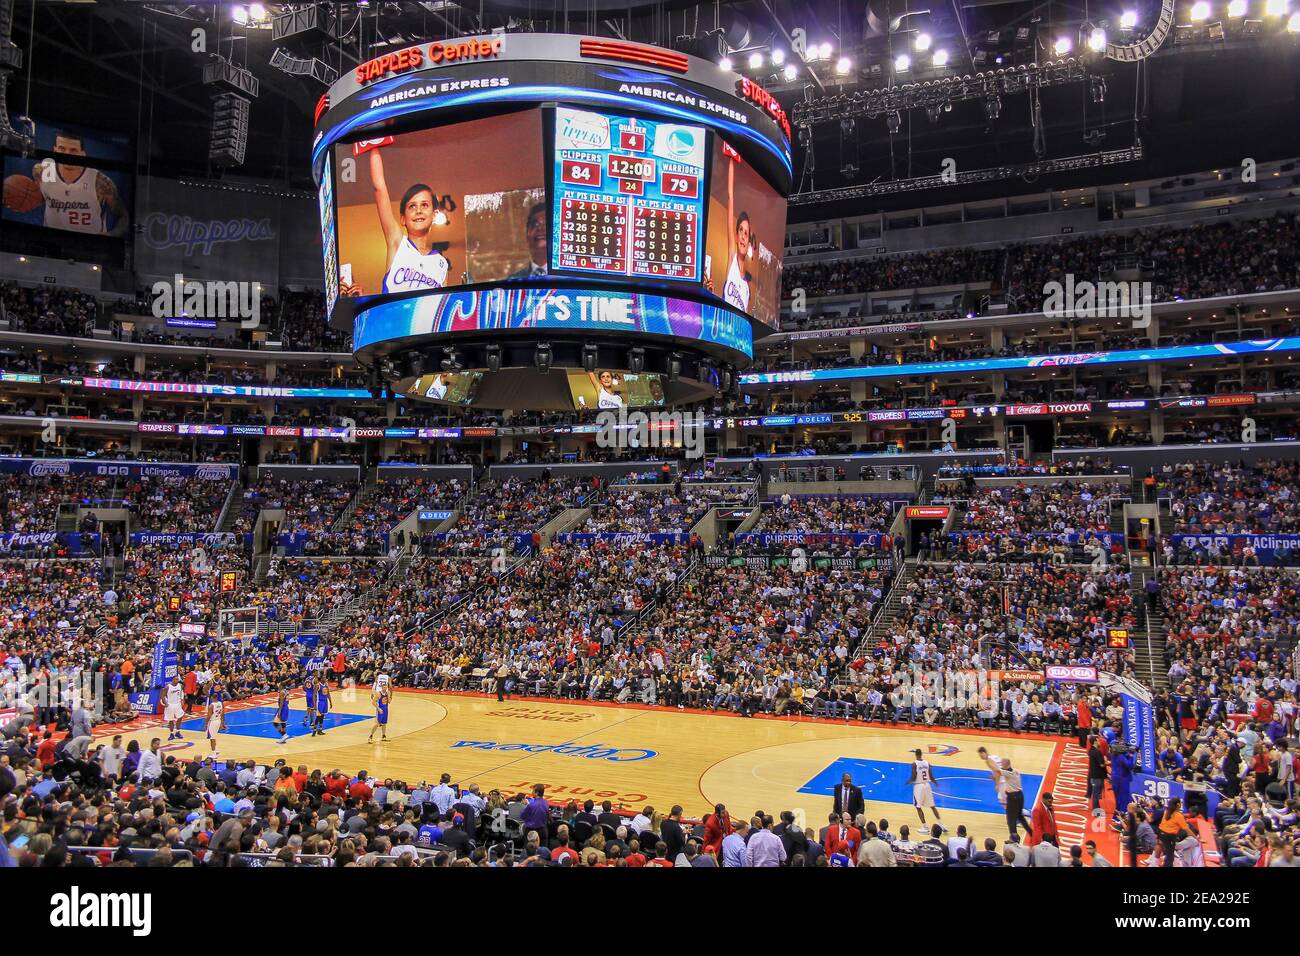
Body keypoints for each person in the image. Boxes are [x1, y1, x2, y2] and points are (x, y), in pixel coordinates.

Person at [343, 143, 451, 297]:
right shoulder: (398, 242)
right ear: (402, 219)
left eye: (424, 205)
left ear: (434, 214)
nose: (418, 210)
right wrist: (374, 145)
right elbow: (379, 188)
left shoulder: (441, 264)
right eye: (412, 206)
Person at [23, 132, 128, 236]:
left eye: (73, 150)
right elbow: (37, 199)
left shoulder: (98, 181)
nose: (67, 154)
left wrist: (110, 235)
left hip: (88, 246)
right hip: (51, 243)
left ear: (83, 154)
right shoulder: (43, 171)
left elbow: (123, 217)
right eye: (62, 148)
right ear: (54, 150)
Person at [506, 202, 548, 279]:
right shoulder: (512, 279)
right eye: (535, 225)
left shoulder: (571, 275)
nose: (540, 228)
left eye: (546, 224)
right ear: (527, 236)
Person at [908, 748, 945, 830]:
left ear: (915, 755)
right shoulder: (927, 763)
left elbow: (914, 777)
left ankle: (925, 826)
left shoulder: (914, 764)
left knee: (918, 807)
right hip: (927, 785)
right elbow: (931, 776)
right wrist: (935, 782)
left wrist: (909, 781)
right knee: (932, 806)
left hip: (919, 786)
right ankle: (941, 824)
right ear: (921, 754)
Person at [1158, 797, 1188, 868]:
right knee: (1170, 856)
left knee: (1168, 854)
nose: (1181, 804)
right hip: (1169, 837)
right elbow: (1186, 829)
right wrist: (1196, 838)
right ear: (1178, 804)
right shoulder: (1178, 816)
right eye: (1181, 803)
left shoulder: (1166, 812)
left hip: (1161, 834)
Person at [162, 674, 185, 741]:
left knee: (180, 717)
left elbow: (181, 693)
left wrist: (182, 700)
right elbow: (163, 696)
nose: (177, 680)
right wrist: (166, 703)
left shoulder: (180, 685)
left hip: (177, 704)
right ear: (172, 679)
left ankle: (177, 731)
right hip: (170, 704)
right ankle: (171, 733)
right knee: (170, 719)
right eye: (176, 679)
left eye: (178, 679)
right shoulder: (167, 687)